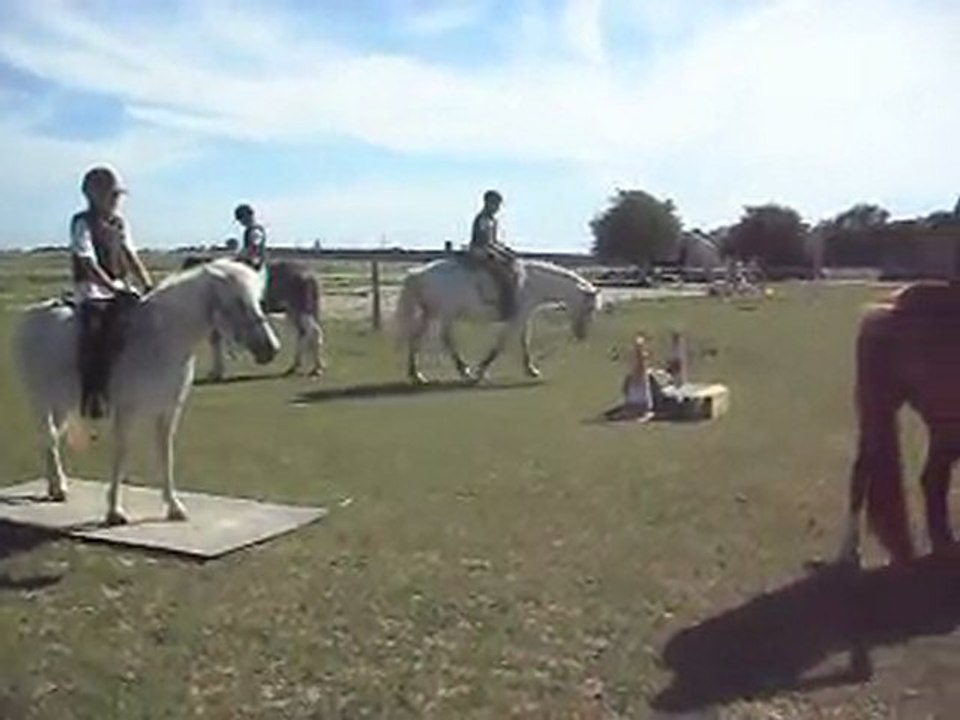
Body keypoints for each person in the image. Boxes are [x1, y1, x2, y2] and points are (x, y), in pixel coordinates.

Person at [70, 165, 153, 419]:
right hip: (93, 291)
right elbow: (87, 262)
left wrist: (148, 284)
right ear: (93, 195)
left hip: (120, 289)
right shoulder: (82, 222)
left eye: (117, 195)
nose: (116, 201)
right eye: (112, 195)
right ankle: (94, 394)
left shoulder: (119, 224)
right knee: (98, 332)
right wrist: (112, 287)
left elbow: (130, 255)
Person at [469, 189, 519, 319]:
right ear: (487, 203)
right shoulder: (483, 219)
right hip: (479, 250)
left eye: (498, 205)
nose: (497, 208)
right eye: (495, 204)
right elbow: (485, 241)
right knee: (503, 274)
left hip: (488, 248)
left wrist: (505, 249)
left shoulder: (492, 220)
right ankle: (505, 307)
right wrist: (499, 252)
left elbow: (494, 241)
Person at [234, 203, 267, 270]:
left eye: (241, 217)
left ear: (249, 215)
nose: (240, 221)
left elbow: (254, 247)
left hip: (255, 264)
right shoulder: (249, 230)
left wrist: (240, 255)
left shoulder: (255, 230)